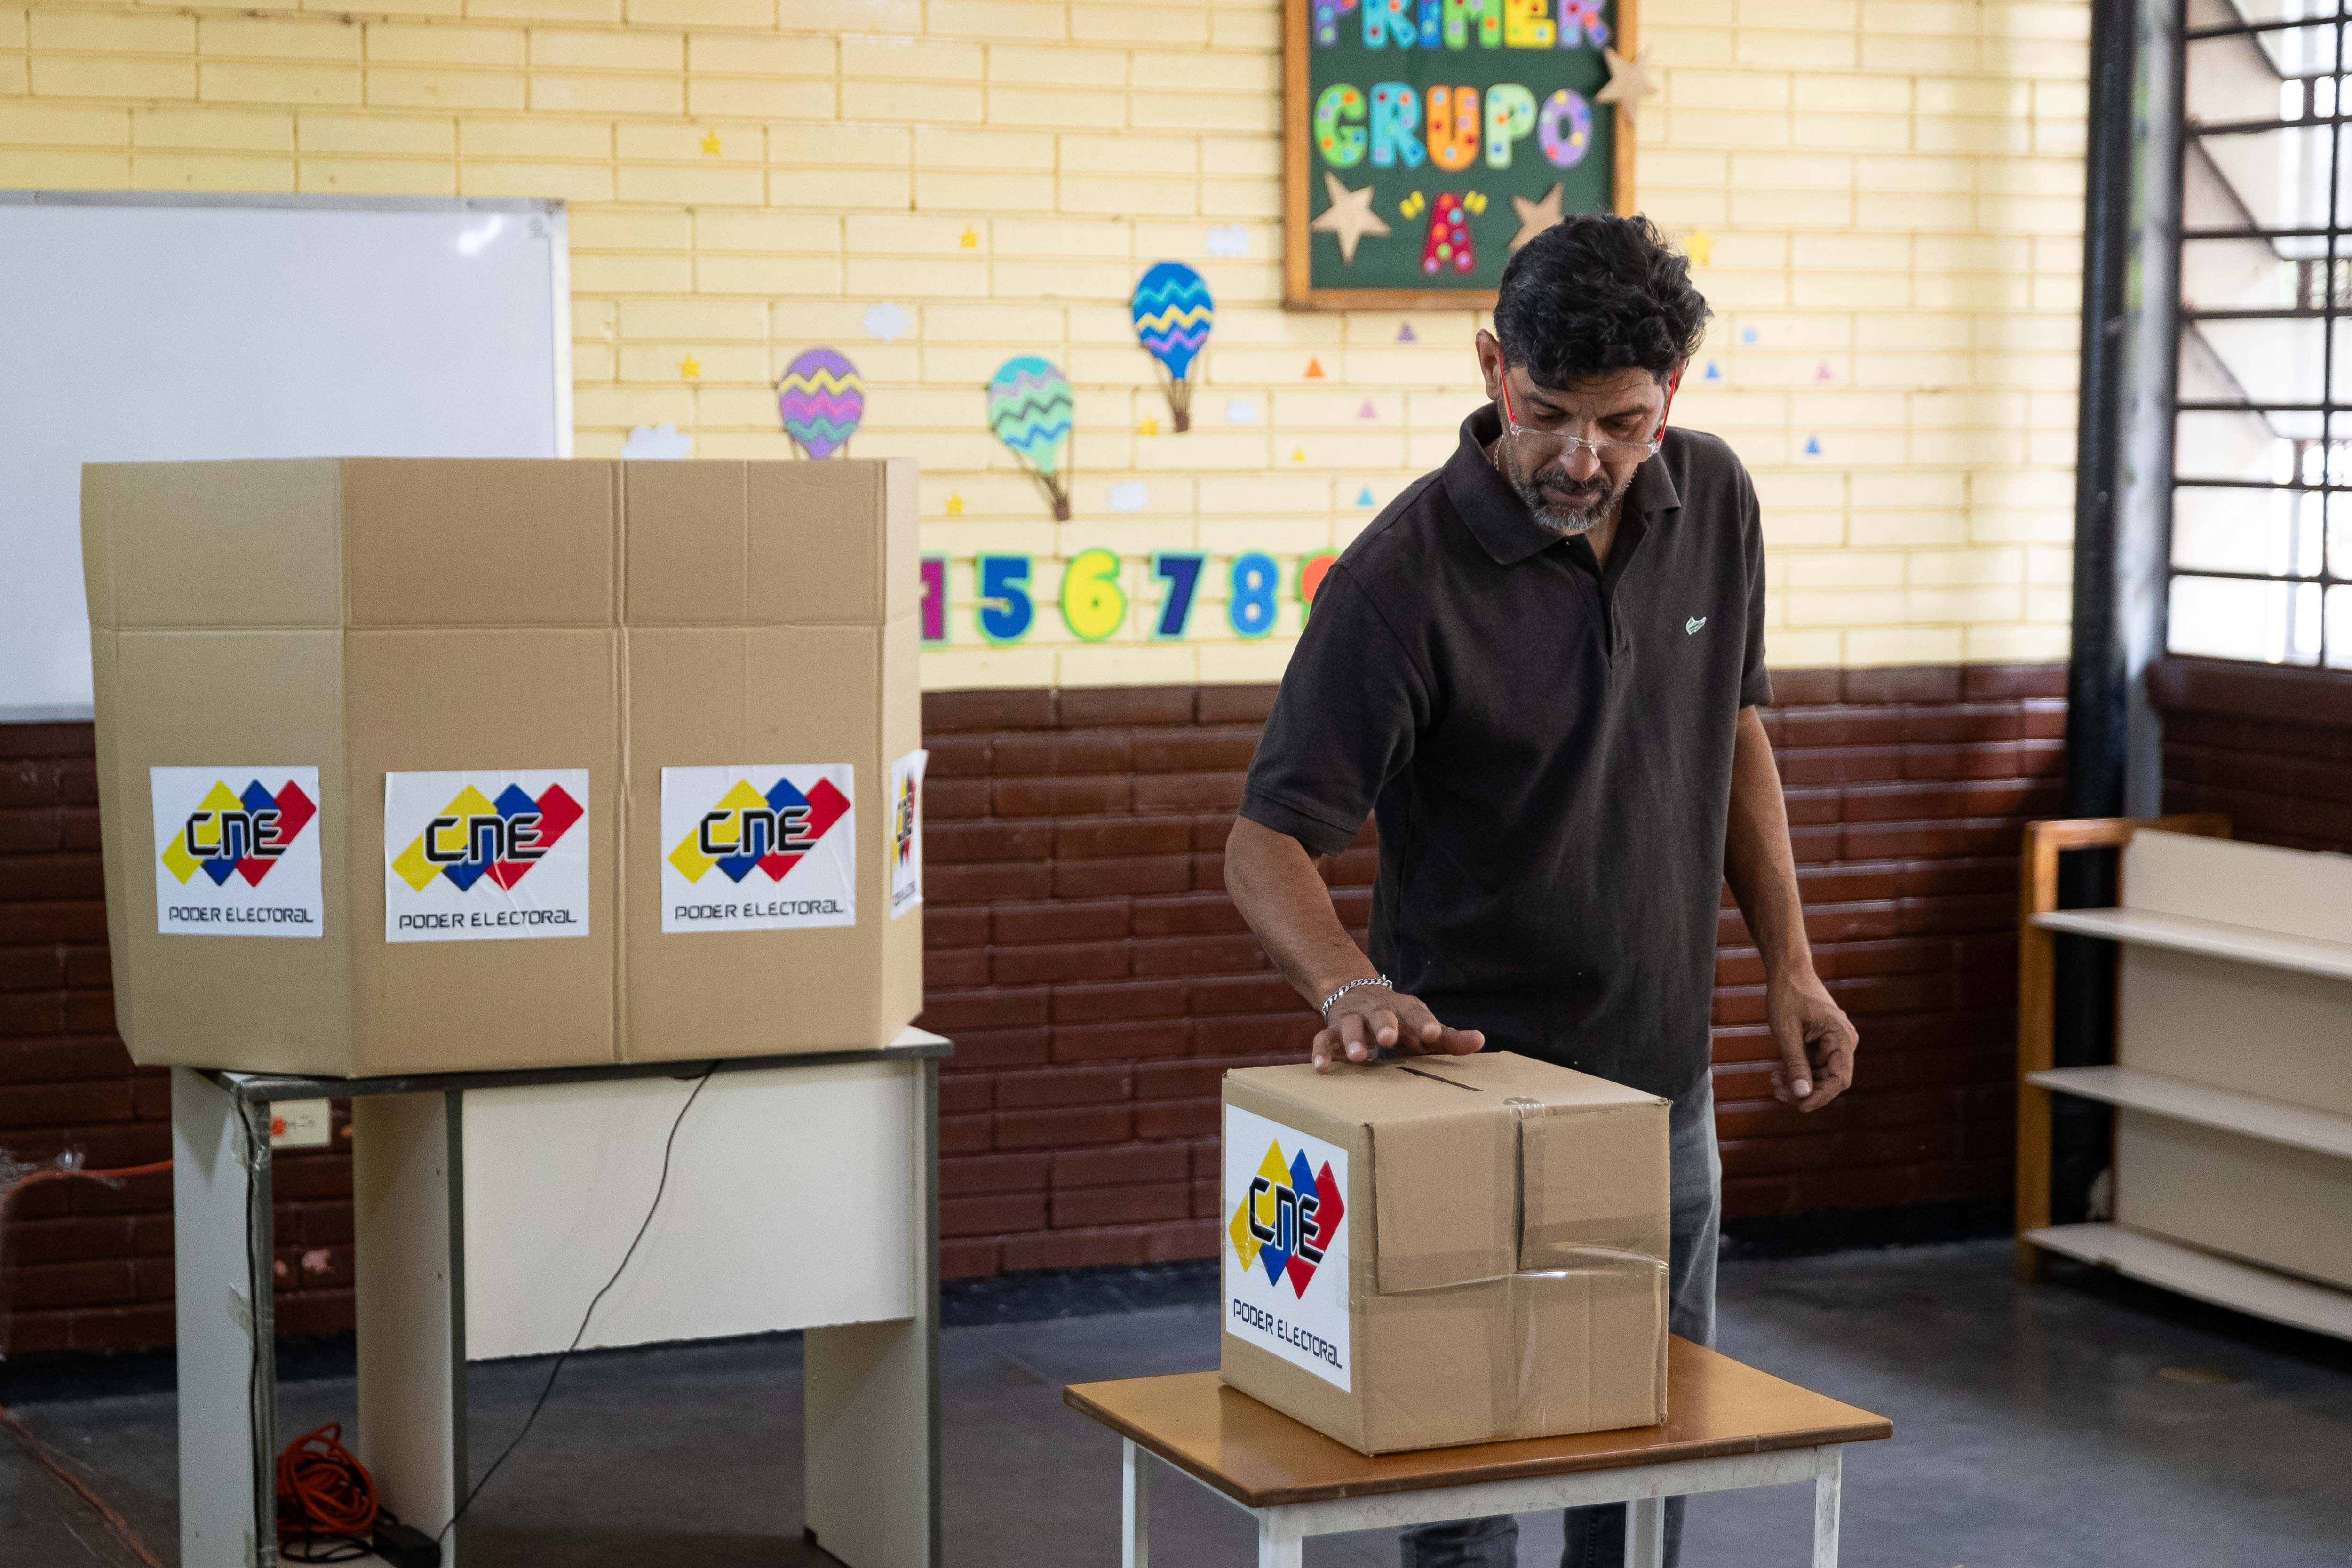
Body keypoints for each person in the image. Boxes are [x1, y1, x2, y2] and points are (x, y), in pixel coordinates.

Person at [1221, 213, 1860, 1568]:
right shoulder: (1397, 583)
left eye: (1623, 423)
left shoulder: (1719, 500)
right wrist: (1351, 985)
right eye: (1547, 414)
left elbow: (1734, 732)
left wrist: (1790, 966)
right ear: (1490, 367)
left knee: (1645, 1449)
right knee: (1459, 1478)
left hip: (1659, 1090)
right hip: (1468, 1107)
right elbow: (1267, 841)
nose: (1583, 459)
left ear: (1672, 397)